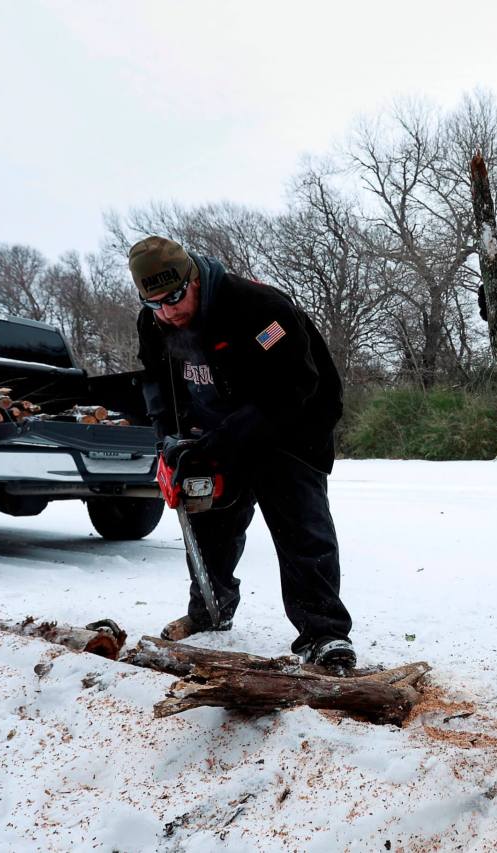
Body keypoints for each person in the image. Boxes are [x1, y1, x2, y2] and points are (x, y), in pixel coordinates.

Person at [130, 235, 355, 669]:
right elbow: (157, 381)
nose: (168, 311)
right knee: (208, 516)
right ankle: (210, 611)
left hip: (293, 424)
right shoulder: (154, 322)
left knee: (300, 527)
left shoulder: (261, 310)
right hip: (217, 425)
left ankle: (324, 634)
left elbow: (295, 386)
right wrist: (171, 440)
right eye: (155, 302)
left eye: (175, 297)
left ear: (193, 278)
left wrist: (224, 439)